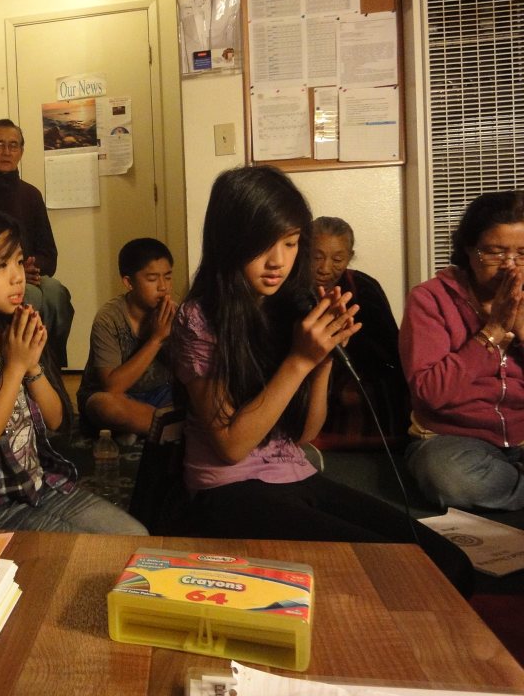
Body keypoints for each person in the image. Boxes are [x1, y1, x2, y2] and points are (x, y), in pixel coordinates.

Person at [171, 166, 472, 594]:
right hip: (226, 491)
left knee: (450, 565)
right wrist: (299, 360)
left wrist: (324, 359)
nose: (278, 261)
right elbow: (231, 446)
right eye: (262, 244)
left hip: (293, 474)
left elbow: (304, 434)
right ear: (229, 241)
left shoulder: (285, 308)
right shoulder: (199, 318)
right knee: (404, 576)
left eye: (291, 243)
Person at [0, 206, 147, 534]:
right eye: (1, 265)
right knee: (85, 552)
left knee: (132, 537)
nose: (17, 276)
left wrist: (32, 364)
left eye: (19, 261)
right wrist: (14, 367)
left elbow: (56, 420)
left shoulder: (12, 331)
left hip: (38, 487)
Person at [400, 190, 524, 511]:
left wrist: (522, 330)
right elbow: (429, 392)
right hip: (454, 438)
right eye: (494, 253)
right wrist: (492, 332)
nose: (510, 266)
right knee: (447, 478)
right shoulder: (430, 299)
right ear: (469, 249)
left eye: (522, 253)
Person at [0, 119, 74, 366]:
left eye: (13, 145)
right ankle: (20, 364)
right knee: (33, 298)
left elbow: (49, 254)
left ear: (21, 152)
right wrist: (10, 270)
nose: (6, 152)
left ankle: (51, 366)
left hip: (29, 274)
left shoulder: (31, 194)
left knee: (56, 294)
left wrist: (27, 268)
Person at [310, 216, 409, 446]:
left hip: (356, 375)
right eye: (316, 257)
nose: (325, 268)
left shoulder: (363, 286)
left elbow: (390, 348)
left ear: (350, 256)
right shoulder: (288, 287)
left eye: (337, 259)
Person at [76, 238, 176, 439]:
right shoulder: (109, 318)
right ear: (129, 282)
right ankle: (169, 427)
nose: (163, 287)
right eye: (152, 279)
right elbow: (112, 387)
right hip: (118, 397)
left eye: (167, 277)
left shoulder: (173, 313)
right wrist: (156, 339)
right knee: (105, 406)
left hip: (161, 395)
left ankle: (148, 427)